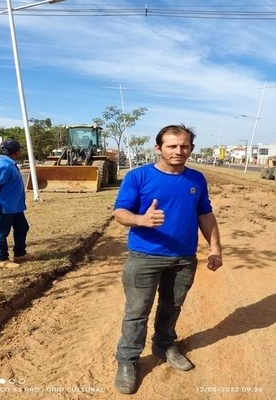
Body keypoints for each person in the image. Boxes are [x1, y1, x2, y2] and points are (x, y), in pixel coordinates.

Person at [113, 124, 223, 394]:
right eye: (172, 146)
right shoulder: (138, 176)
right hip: (145, 256)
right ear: (158, 148)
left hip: (184, 257)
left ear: (191, 149)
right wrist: (141, 219)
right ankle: (128, 360)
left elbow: (205, 215)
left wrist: (215, 248)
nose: (179, 150)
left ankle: (163, 345)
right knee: (137, 313)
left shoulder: (196, 179)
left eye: (184, 146)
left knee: (172, 306)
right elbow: (119, 213)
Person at [0, 139, 36, 268]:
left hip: (14, 206)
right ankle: (2, 258)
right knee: (1, 232)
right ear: (17, 152)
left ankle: (20, 254)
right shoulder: (3, 165)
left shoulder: (8, 163)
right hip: (4, 206)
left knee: (22, 227)